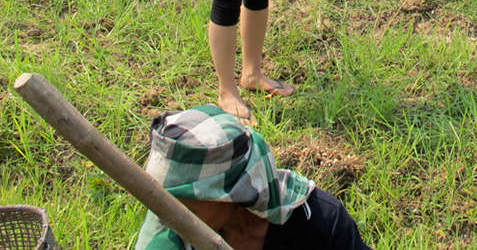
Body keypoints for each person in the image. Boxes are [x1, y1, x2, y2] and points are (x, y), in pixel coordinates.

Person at [135, 105, 373, 249]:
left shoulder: (317, 222)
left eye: (183, 197)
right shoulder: (169, 232)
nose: (166, 210)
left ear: (233, 191)